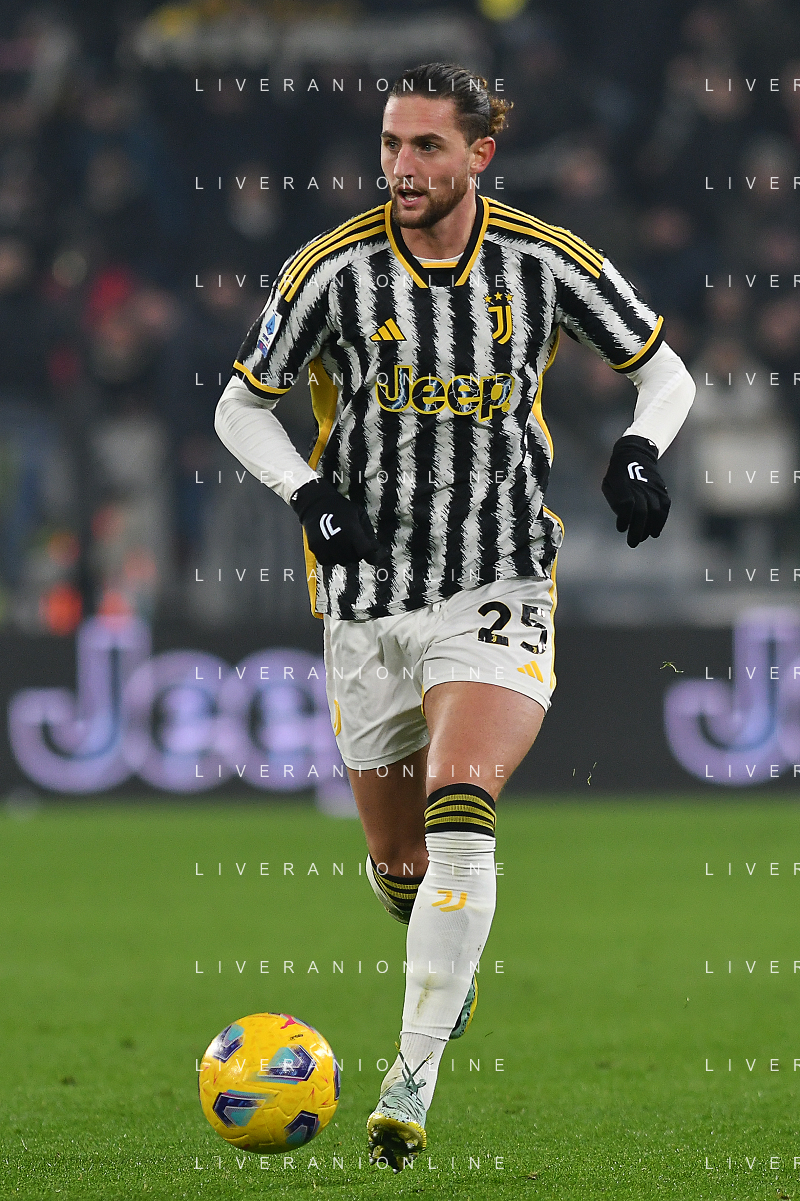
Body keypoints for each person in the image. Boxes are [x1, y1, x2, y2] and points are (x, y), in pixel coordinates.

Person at [215, 62, 695, 1171]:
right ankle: (445, 953)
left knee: (461, 800)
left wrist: (637, 448)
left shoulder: (544, 260)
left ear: (479, 154)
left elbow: (665, 374)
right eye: (391, 143)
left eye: (426, 145)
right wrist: (309, 493)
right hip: (365, 599)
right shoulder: (329, 272)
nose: (401, 166)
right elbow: (241, 405)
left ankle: (411, 1074)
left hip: (499, 579)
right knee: (400, 862)